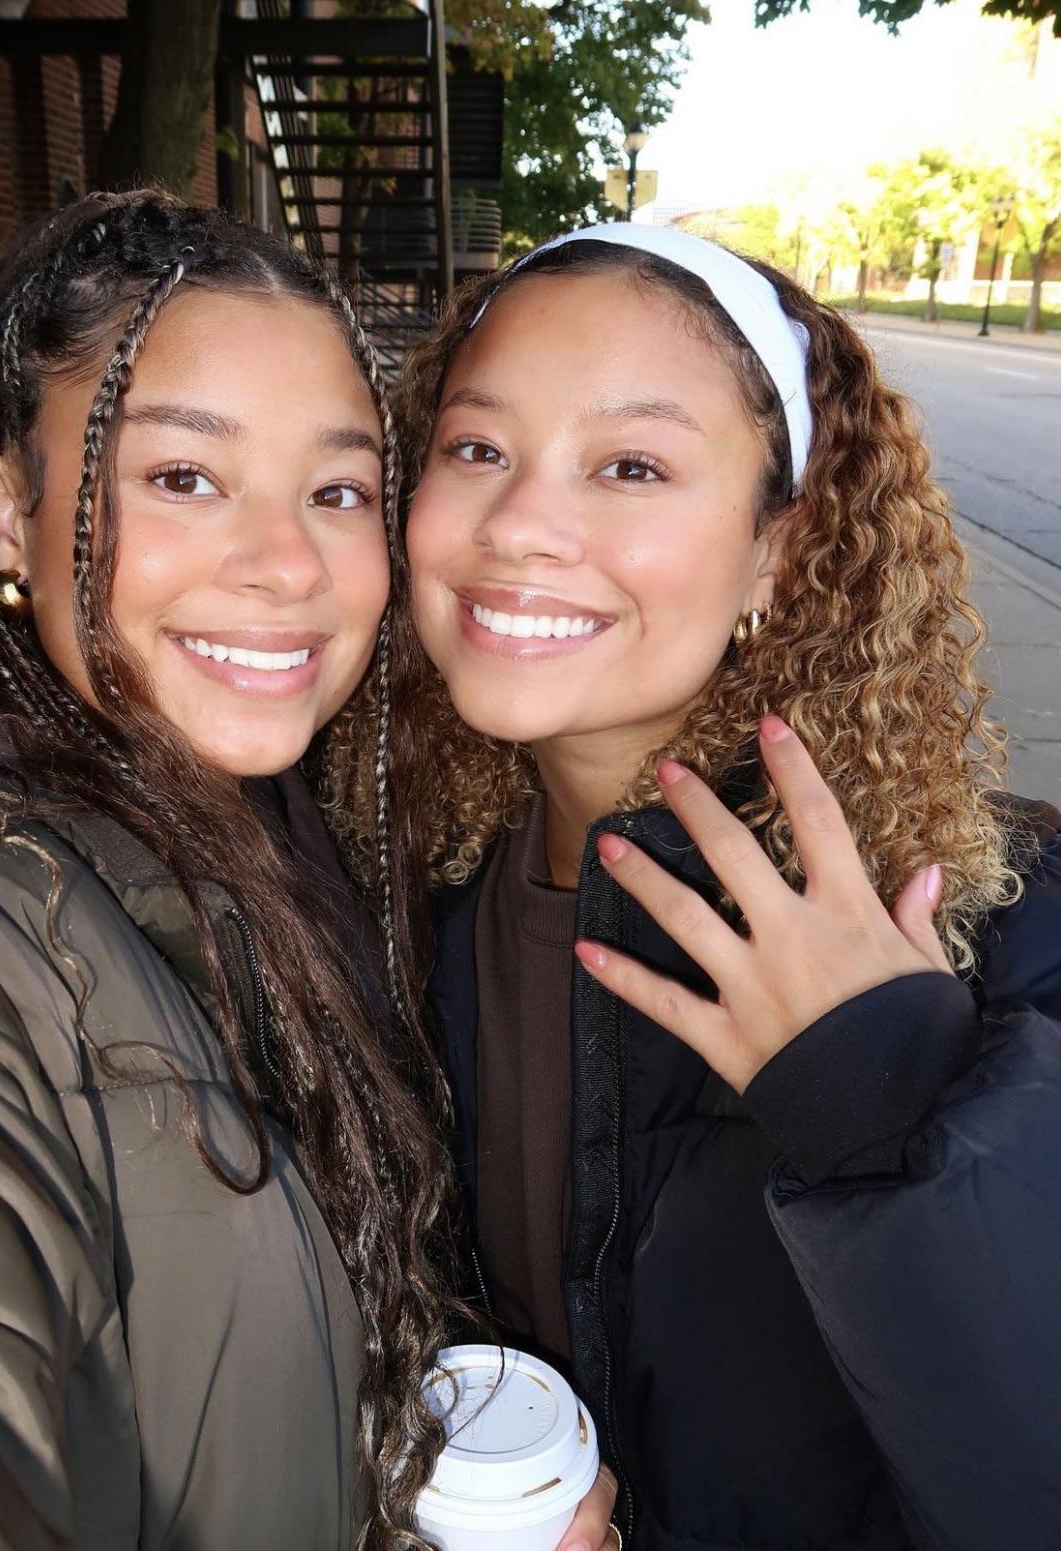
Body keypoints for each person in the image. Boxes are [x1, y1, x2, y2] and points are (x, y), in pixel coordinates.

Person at [338, 222, 1061, 1549]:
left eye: (632, 465)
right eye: (476, 448)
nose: (519, 525)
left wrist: (892, 1108)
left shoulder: (1012, 939)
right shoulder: (400, 898)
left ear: (779, 549)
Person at [0, 189, 474, 1551]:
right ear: (5, 513)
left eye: (337, 491)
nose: (289, 564)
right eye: (182, 477)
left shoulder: (270, 834)